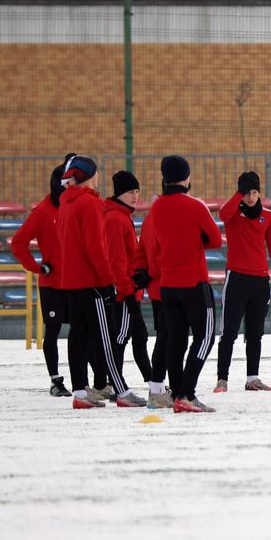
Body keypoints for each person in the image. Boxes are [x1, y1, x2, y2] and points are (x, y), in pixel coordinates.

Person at [56, 155, 145, 409]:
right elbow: (97, 248)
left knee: (78, 337)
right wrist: (107, 282)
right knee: (105, 338)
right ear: (91, 176)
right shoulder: (90, 204)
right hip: (93, 281)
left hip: (71, 281)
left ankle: (81, 393)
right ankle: (120, 390)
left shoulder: (66, 204)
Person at [147, 155, 224, 413]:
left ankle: (179, 393)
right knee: (205, 338)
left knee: (176, 342)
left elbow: (156, 244)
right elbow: (215, 239)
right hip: (194, 282)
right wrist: (193, 241)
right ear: (186, 177)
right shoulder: (195, 206)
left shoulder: (156, 208)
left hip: (168, 284)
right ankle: (187, 394)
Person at [215, 171, 271, 393]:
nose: (250, 197)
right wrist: (239, 193)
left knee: (256, 332)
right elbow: (223, 214)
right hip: (236, 279)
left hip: (260, 281)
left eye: (254, 192)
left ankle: (252, 378)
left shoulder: (267, 216)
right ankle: (222, 379)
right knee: (229, 332)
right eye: (246, 192)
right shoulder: (234, 213)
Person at [10, 162, 70, 397]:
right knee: (53, 331)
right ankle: (55, 380)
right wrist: (36, 267)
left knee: (84, 331)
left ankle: (87, 381)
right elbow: (18, 242)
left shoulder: (80, 207)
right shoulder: (44, 211)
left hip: (79, 282)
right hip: (53, 284)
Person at [104, 170, 154, 401]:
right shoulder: (115, 218)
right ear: (119, 193)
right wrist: (127, 290)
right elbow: (116, 260)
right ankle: (117, 386)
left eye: (136, 191)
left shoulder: (122, 216)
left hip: (130, 288)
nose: (135, 196)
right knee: (121, 337)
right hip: (124, 292)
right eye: (130, 191)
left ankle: (154, 382)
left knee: (140, 336)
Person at [132, 196, 172, 409]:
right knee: (169, 339)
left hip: (155, 287)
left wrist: (143, 273)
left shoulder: (149, 220)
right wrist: (150, 272)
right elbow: (164, 254)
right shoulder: (164, 218)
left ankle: (159, 387)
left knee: (164, 338)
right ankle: (160, 388)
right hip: (169, 285)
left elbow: (141, 251)